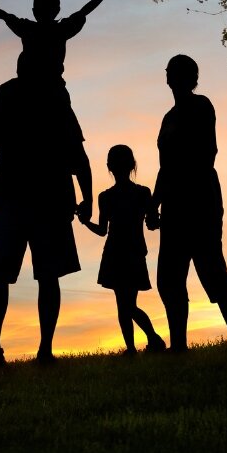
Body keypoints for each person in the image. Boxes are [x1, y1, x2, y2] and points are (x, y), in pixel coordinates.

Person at [0, 78, 94, 366]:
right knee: (46, 276)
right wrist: (87, 199)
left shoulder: (10, 92)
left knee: (1, 273)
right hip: (49, 196)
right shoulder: (55, 94)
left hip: (14, 195)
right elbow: (79, 155)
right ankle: (44, 350)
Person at [151, 54, 227, 352]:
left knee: (211, 266)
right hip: (174, 203)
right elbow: (163, 166)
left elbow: (208, 151)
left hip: (200, 196)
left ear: (190, 78)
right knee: (169, 277)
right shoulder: (167, 118)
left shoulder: (201, 105)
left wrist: (181, 185)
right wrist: (155, 203)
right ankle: (178, 344)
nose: (172, 78)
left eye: (178, 73)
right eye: (170, 73)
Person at [0, 0, 120, 145]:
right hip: (42, 86)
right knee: (6, 92)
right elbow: (83, 12)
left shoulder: (34, 28)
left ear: (35, 11)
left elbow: (4, 15)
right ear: (57, 10)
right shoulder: (57, 29)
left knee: (4, 92)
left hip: (41, 85)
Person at [78, 145, 166, 355]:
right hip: (134, 251)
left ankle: (143, 343)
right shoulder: (142, 193)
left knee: (124, 304)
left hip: (116, 253)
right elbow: (153, 222)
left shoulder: (106, 197)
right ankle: (143, 344)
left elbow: (101, 231)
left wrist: (84, 222)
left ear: (109, 167)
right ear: (132, 165)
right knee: (128, 304)